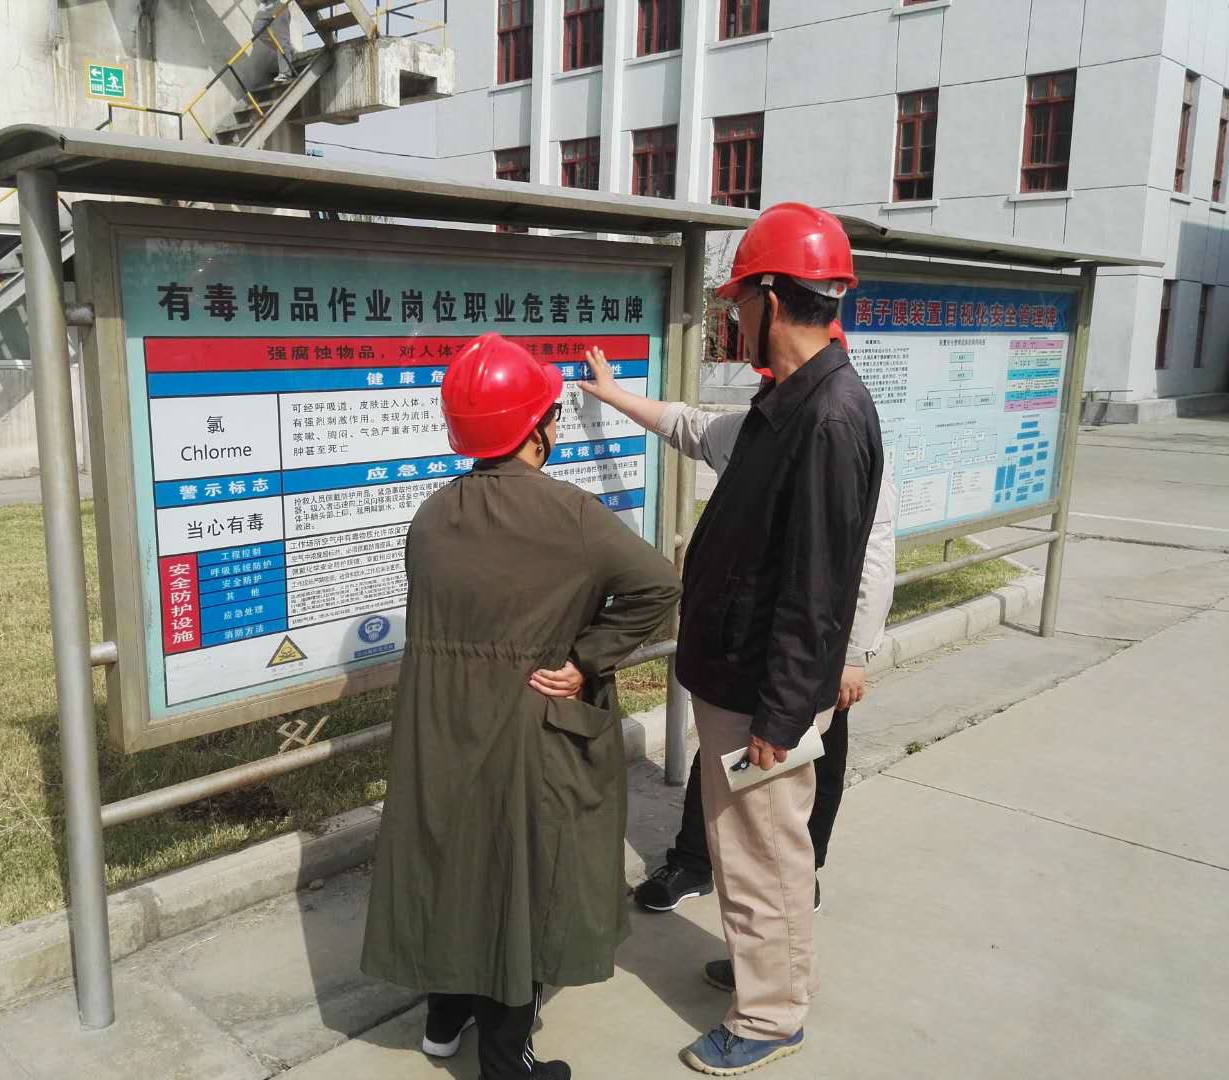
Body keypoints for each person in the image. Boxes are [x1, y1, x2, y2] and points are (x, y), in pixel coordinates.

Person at [597, 203, 882, 1074]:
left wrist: (781, 716)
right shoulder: (784, 404)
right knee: (746, 848)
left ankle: (769, 1016)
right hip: (741, 678)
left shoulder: (828, 417)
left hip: (765, 695)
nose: (732, 317)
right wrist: (615, 395)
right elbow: (695, 432)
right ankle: (769, 972)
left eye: (738, 301)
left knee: (764, 854)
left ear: (770, 298)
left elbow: (818, 588)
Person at [360, 333, 682, 1080]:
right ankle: (507, 1061)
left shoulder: (433, 514)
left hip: (441, 726)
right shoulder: (572, 515)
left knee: (456, 863)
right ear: (537, 428)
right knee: (518, 879)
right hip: (530, 727)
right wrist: (585, 659)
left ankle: (443, 1022)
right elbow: (659, 586)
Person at [621, 322, 897, 919]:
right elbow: (689, 426)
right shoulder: (758, 428)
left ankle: (799, 876)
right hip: (752, 650)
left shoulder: (833, 430)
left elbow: (868, 556)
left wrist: (855, 653)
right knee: (726, 762)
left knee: (810, 765)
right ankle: (699, 861)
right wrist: (613, 393)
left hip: (812, 655)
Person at [251, 0, 297, 81]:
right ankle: (289, 50)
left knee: (282, 39)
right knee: (257, 28)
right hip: (265, 4)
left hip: (280, 3)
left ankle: (285, 73)